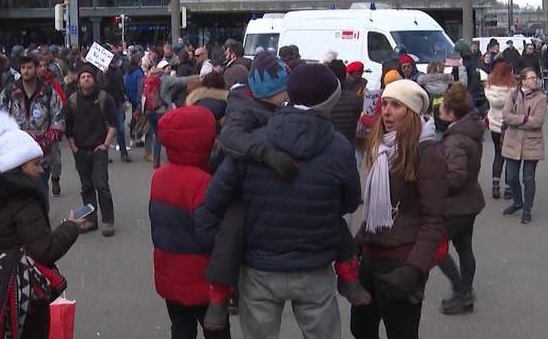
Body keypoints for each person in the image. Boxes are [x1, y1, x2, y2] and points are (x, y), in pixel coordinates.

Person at [202, 63, 361, 339]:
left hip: (259, 266)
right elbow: (350, 202)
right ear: (329, 102)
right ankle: (351, 280)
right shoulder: (338, 147)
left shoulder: (250, 140)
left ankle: (218, 297)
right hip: (315, 263)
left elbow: (215, 197)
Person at [0, 109, 83, 338]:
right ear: (20, 166)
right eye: (36, 164)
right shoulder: (24, 201)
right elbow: (45, 249)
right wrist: (71, 226)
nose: (41, 169)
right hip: (25, 290)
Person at [352, 79, 447, 338]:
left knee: (401, 333)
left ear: (412, 112)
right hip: (371, 258)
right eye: (384, 104)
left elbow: (434, 221)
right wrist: (359, 240)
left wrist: (413, 270)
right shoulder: (381, 148)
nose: (387, 111)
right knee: (360, 329)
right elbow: (377, 208)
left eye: (396, 105)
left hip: (401, 262)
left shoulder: (427, 154)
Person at [150, 106, 231, 339]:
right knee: (217, 330)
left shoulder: (160, 176)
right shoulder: (203, 182)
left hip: (169, 269)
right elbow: (208, 235)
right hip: (201, 275)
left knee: (181, 329)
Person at [436, 83, 486, 315]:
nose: (439, 109)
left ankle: (460, 291)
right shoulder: (468, 131)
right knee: (465, 249)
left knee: (436, 247)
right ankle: (465, 293)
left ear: (450, 111)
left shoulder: (455, 139)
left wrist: (435, 186)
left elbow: (455, 176)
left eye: (442, 106)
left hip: (456, 205)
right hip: (470, 201)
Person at [0, 54, 66, 194]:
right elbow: (0, 118)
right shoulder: (10, 92)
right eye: (23, 68)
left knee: (40, 193)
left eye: (29, 67)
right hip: (16, 155)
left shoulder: (48, 92)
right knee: (19, 195)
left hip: (41, 155)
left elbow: (58, 119)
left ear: (36, 69)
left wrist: (45, 141)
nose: (25, 71)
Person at [65, 65, 118, 236]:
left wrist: (106, 144)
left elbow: (113, 123)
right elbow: (68, 128)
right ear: (79, 81)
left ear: (94, 79)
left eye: (89, 76)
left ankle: (108, 220)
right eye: (83, 77)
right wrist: (74, 148)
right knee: (86, 187)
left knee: (101, 185)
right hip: (80, 150)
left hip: (99, 149)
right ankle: (90, 220)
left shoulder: (104, 98)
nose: (86, 79)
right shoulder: (72, 101)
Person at [500, 67, 547, 224]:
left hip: (531, 142)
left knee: (528, 178)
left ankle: (527, 209)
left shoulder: (541, 98)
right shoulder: (513, 95)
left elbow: (538, 122)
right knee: (511, 177)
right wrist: (525, 119)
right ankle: (518, 202)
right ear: (523, 80)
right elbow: (506, 116)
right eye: (532, 77)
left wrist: (518, 120)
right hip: (513, 141)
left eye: (535, 77)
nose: (535, 80)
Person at [484, 59, 516, 200]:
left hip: (494, 124)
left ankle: (495, 185)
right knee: (509, 156)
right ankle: (509, 188)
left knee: (498, 154)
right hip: (508, 125)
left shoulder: (489, 87)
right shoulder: (512, 89)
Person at [143, 60, 171, 167]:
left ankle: (155, 159)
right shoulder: (160, 81)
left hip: (149, 111)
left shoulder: (147, 81)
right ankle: (164, 159)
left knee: (156, 135)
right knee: (164, 135)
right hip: (160, 111)